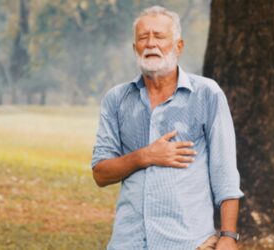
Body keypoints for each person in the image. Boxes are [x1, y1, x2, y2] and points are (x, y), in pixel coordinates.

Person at [91, 5, 244, 250]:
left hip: (189, 242)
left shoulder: (207, 94)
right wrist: (145, 156)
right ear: (135, 48)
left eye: (159, 36)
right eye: (143, 37)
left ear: (178, 46)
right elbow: (100, 173)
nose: (150, 43)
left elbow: (224, 172)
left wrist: (228, 236)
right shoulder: (116, 99)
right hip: (128, 242)